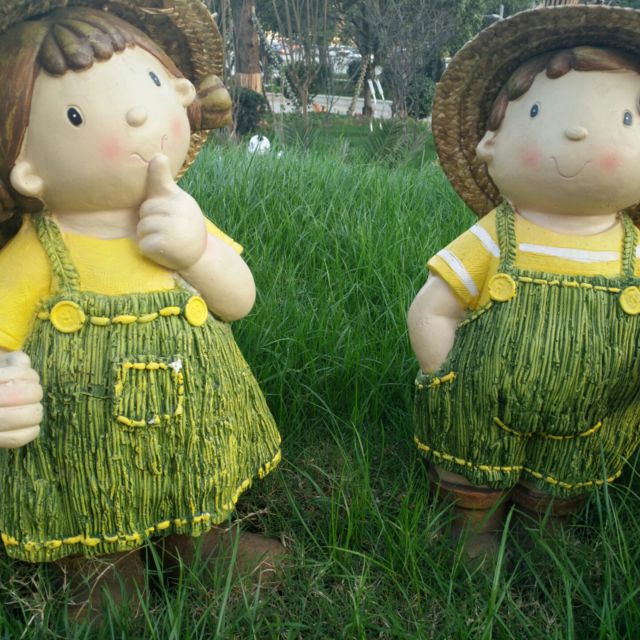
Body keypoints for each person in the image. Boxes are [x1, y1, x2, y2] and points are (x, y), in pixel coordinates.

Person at [0, 1, 283, 618]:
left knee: (197, 472)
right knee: (94, 496)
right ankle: (104, 570)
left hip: (194, 418)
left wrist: (197, 251)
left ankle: (202, 543)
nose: (136, 112)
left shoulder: (182, 217)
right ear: (25, 167)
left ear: (181, 94)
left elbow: (238, 300)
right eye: (76, 115)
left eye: (151, 83)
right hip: (84, 437)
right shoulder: (36, 252)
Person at [408, 2, 640, 559]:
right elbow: (433, 306)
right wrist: (444, 371)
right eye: (536, 113)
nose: (578, 131)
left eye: (625, 121)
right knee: (473, 466)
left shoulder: (632, 251)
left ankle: (546, 524)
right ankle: (474, 526)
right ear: (490, 144)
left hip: (595, 413)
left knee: (565, 475)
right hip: (480, 403)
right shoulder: (496, 237)